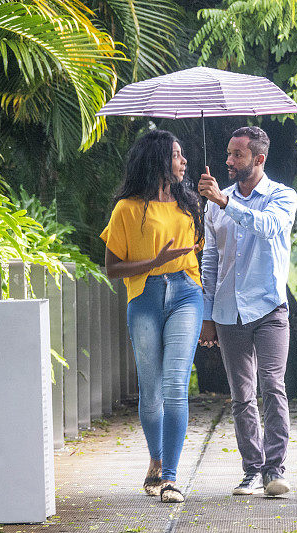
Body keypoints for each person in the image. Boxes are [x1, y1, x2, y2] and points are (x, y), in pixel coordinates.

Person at [101, 129, 204, 504]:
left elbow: (198, 256)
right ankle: (156, 462)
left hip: (187, 295)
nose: (183, 161)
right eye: (177, 155)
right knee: (151, 390)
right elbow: (113, 267)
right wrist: (155, 262)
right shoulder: (127, 209)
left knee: (177, 385)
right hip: (144, 295)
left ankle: (171, 479)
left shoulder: (190, 203)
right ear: (159, 159)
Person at [197, 126, 297, 497]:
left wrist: (226, 204)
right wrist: (207, 315)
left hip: (269, 307)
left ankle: (275, 469)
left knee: (272, 386)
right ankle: (252, 471)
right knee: (242, 395)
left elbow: (269, 227)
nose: (228, 161)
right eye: (227, 153)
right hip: (227, 312)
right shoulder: (214, 201)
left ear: (259, 159)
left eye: (237, 155)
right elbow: (210, 257)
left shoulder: (282, 197)